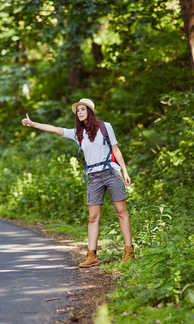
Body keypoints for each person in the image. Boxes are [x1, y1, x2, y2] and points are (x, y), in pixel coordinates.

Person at [21, 98, 134, 267]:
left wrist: (125, 172)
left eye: (82, 109)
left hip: (111, 172)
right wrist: (33, 124)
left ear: (90, 111)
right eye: (77, 111)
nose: (79, 112)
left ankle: (129, 251)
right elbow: (55, 129)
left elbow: (116, 150)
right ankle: (92, 255)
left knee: (121, 212)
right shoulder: (77, 133)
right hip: (93, 176)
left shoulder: (105, 126)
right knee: (93, 217)